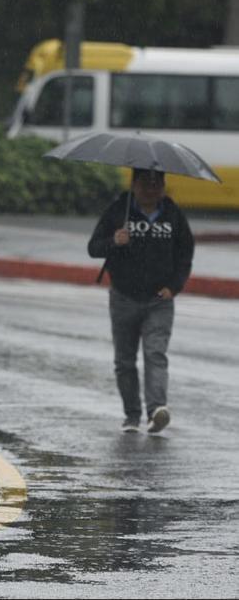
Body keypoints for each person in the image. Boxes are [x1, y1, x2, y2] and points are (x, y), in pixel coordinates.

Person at [87, 168, 194, 435]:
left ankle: (156, 409)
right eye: (146, 183)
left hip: (159, 299)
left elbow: (185, 253)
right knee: (124, 361)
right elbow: (93, 248)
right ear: (134, 184)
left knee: (155, 353)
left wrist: (174, 287)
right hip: (123, 297)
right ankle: (131, 415)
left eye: (157, 184)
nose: (152, 189)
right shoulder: (118, 211)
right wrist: (114, 240)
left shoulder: (172, 214)